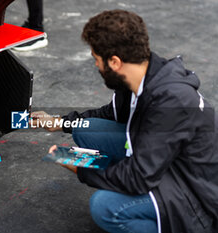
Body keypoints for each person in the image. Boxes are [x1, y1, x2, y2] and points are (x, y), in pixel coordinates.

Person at [31, 9, 218, 233]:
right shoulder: (143, 75)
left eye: (97, 60)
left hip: (193, 194)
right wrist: (59, 122)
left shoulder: (171, 102)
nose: (96, 66)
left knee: (106, 206)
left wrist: (81, 166)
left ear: (115, 62)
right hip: (164, 162)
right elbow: (110, 114)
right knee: (86, 130)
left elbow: (138, 178)